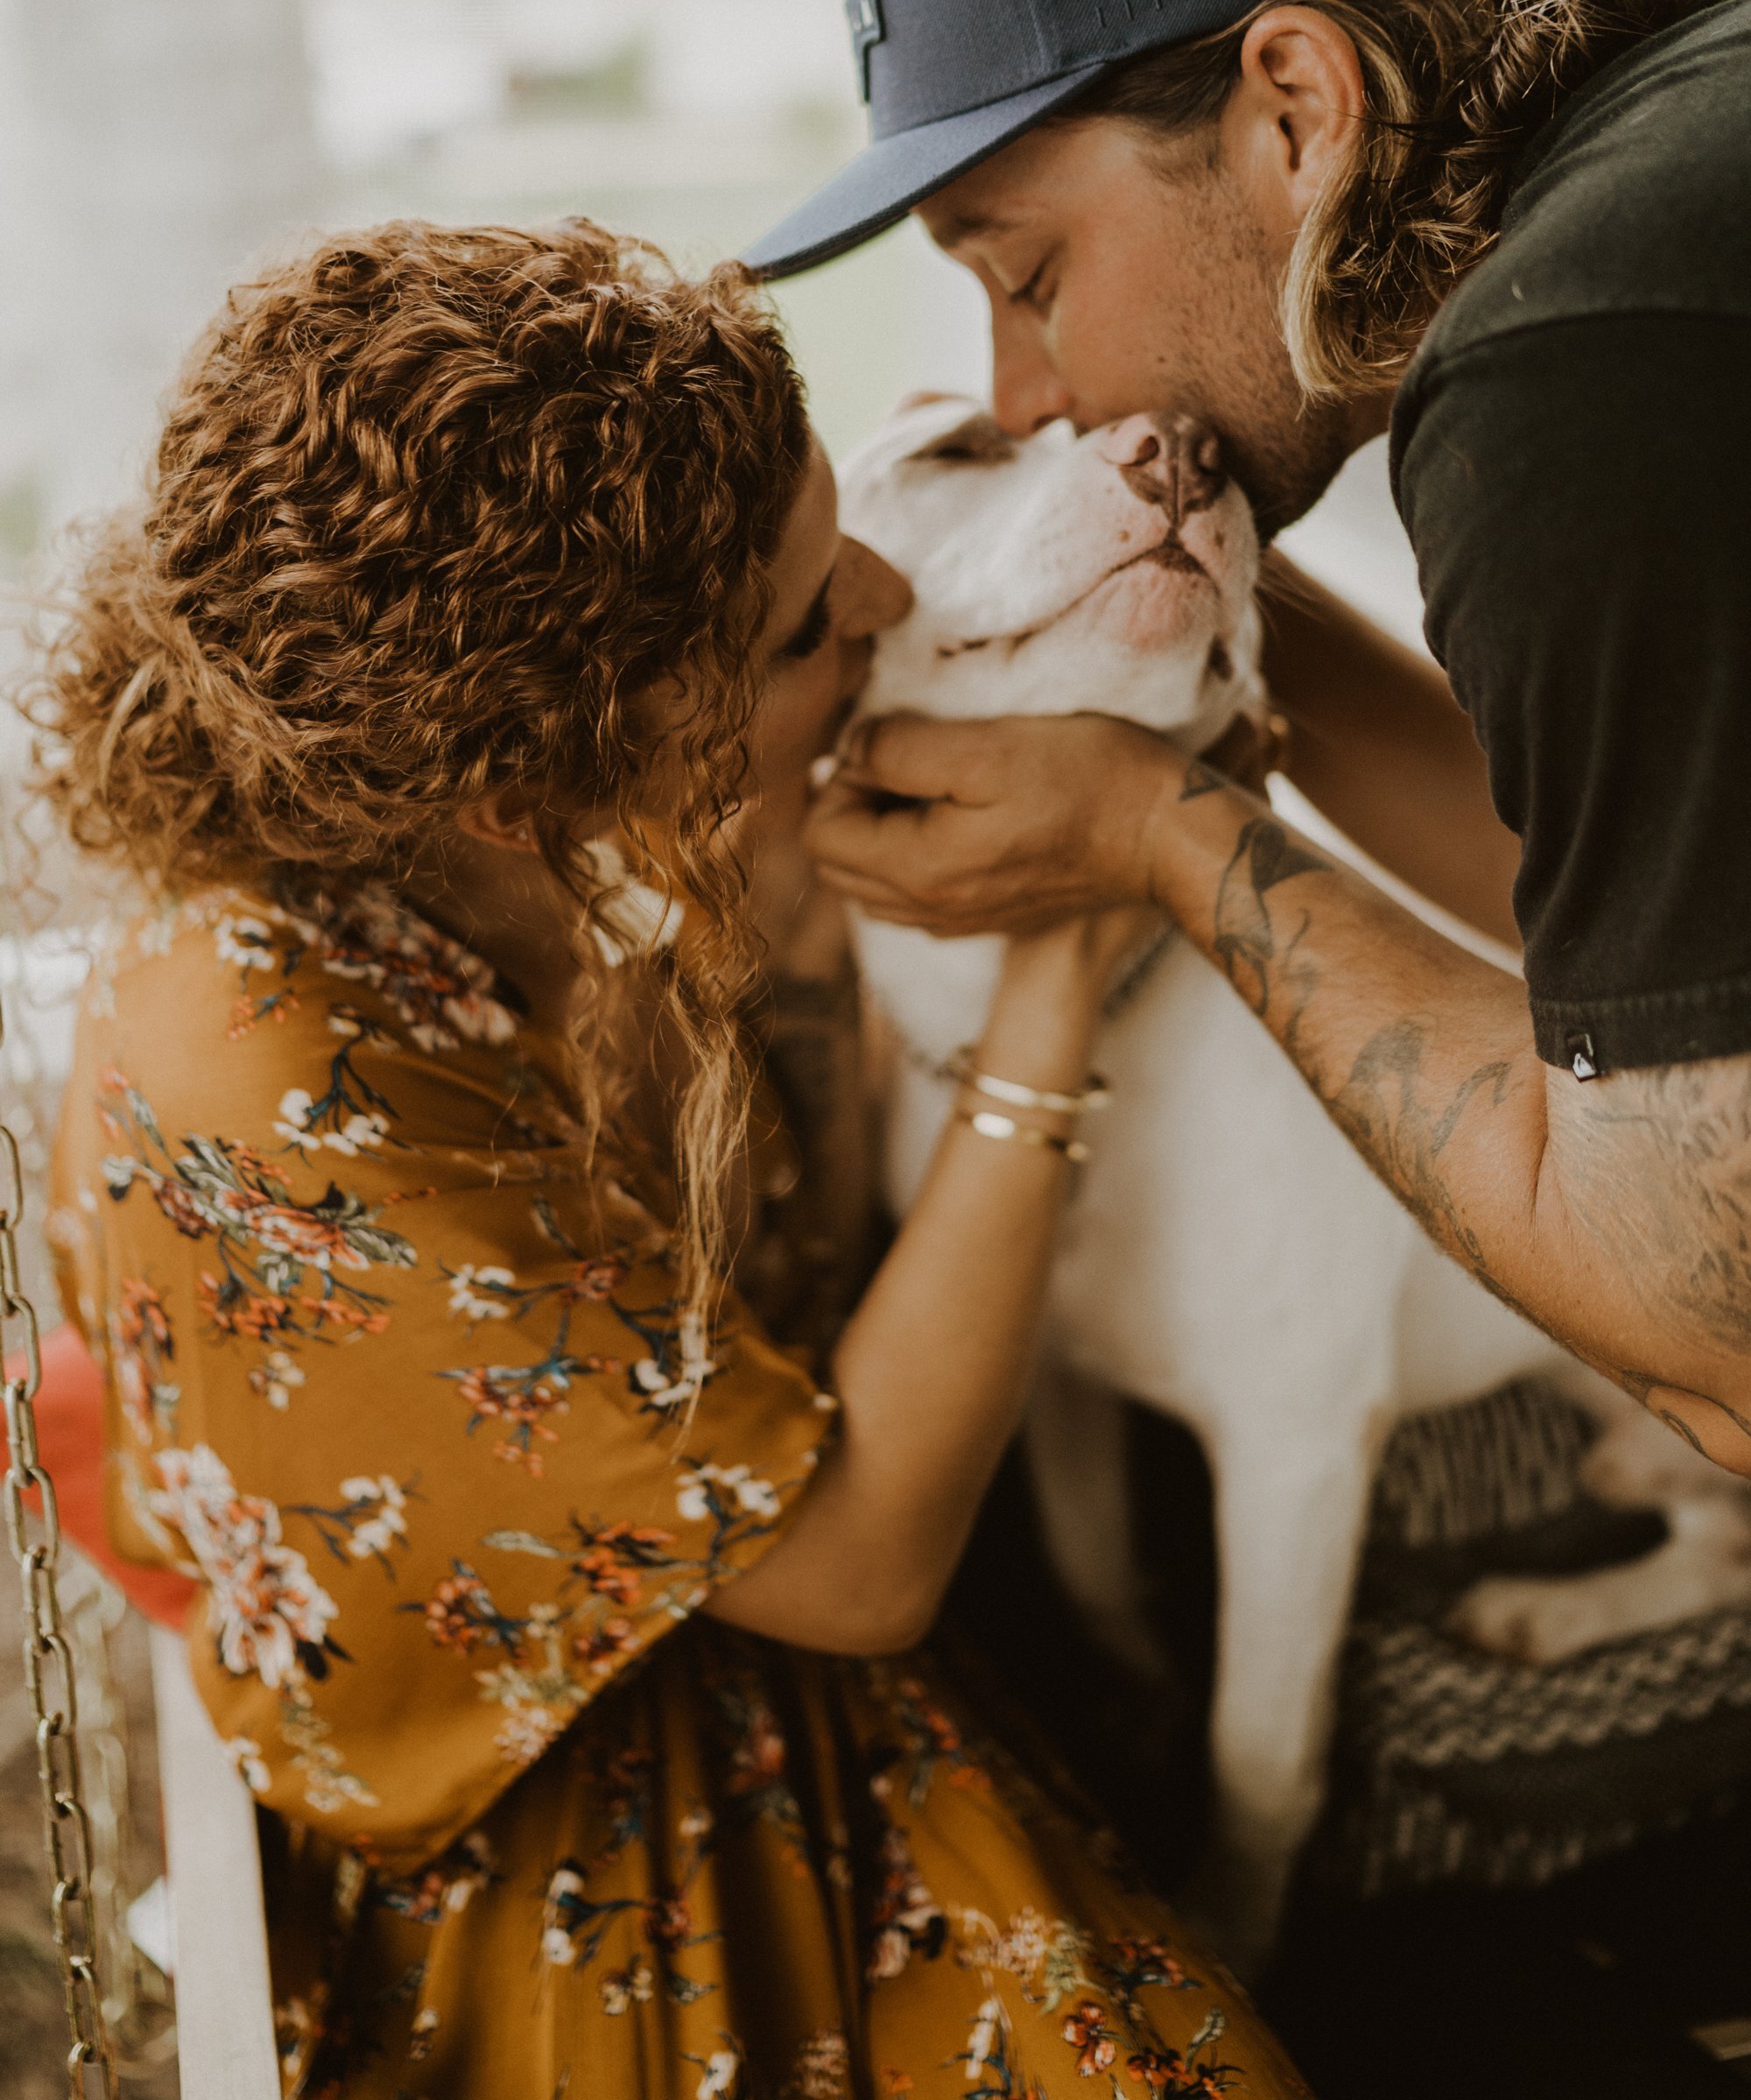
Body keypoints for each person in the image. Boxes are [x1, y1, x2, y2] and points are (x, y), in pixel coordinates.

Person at [38, 220, 1311, 2098]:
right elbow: (866, 1563)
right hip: (605, 1797)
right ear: (532, 785)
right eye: (804, 626)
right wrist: (1063, 966)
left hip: (743, 1614)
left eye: (835, 530)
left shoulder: (489, 856)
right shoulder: (286, 1096)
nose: (875, 594)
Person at [749, 0, 1751, 1470]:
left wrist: (1158, 832)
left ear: (1292, 105)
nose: (1031, 393)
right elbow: (1657, 922)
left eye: (1026, 275)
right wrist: (1142, 571)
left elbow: (1713, 1334)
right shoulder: (1679, 123)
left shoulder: (1561, 365)